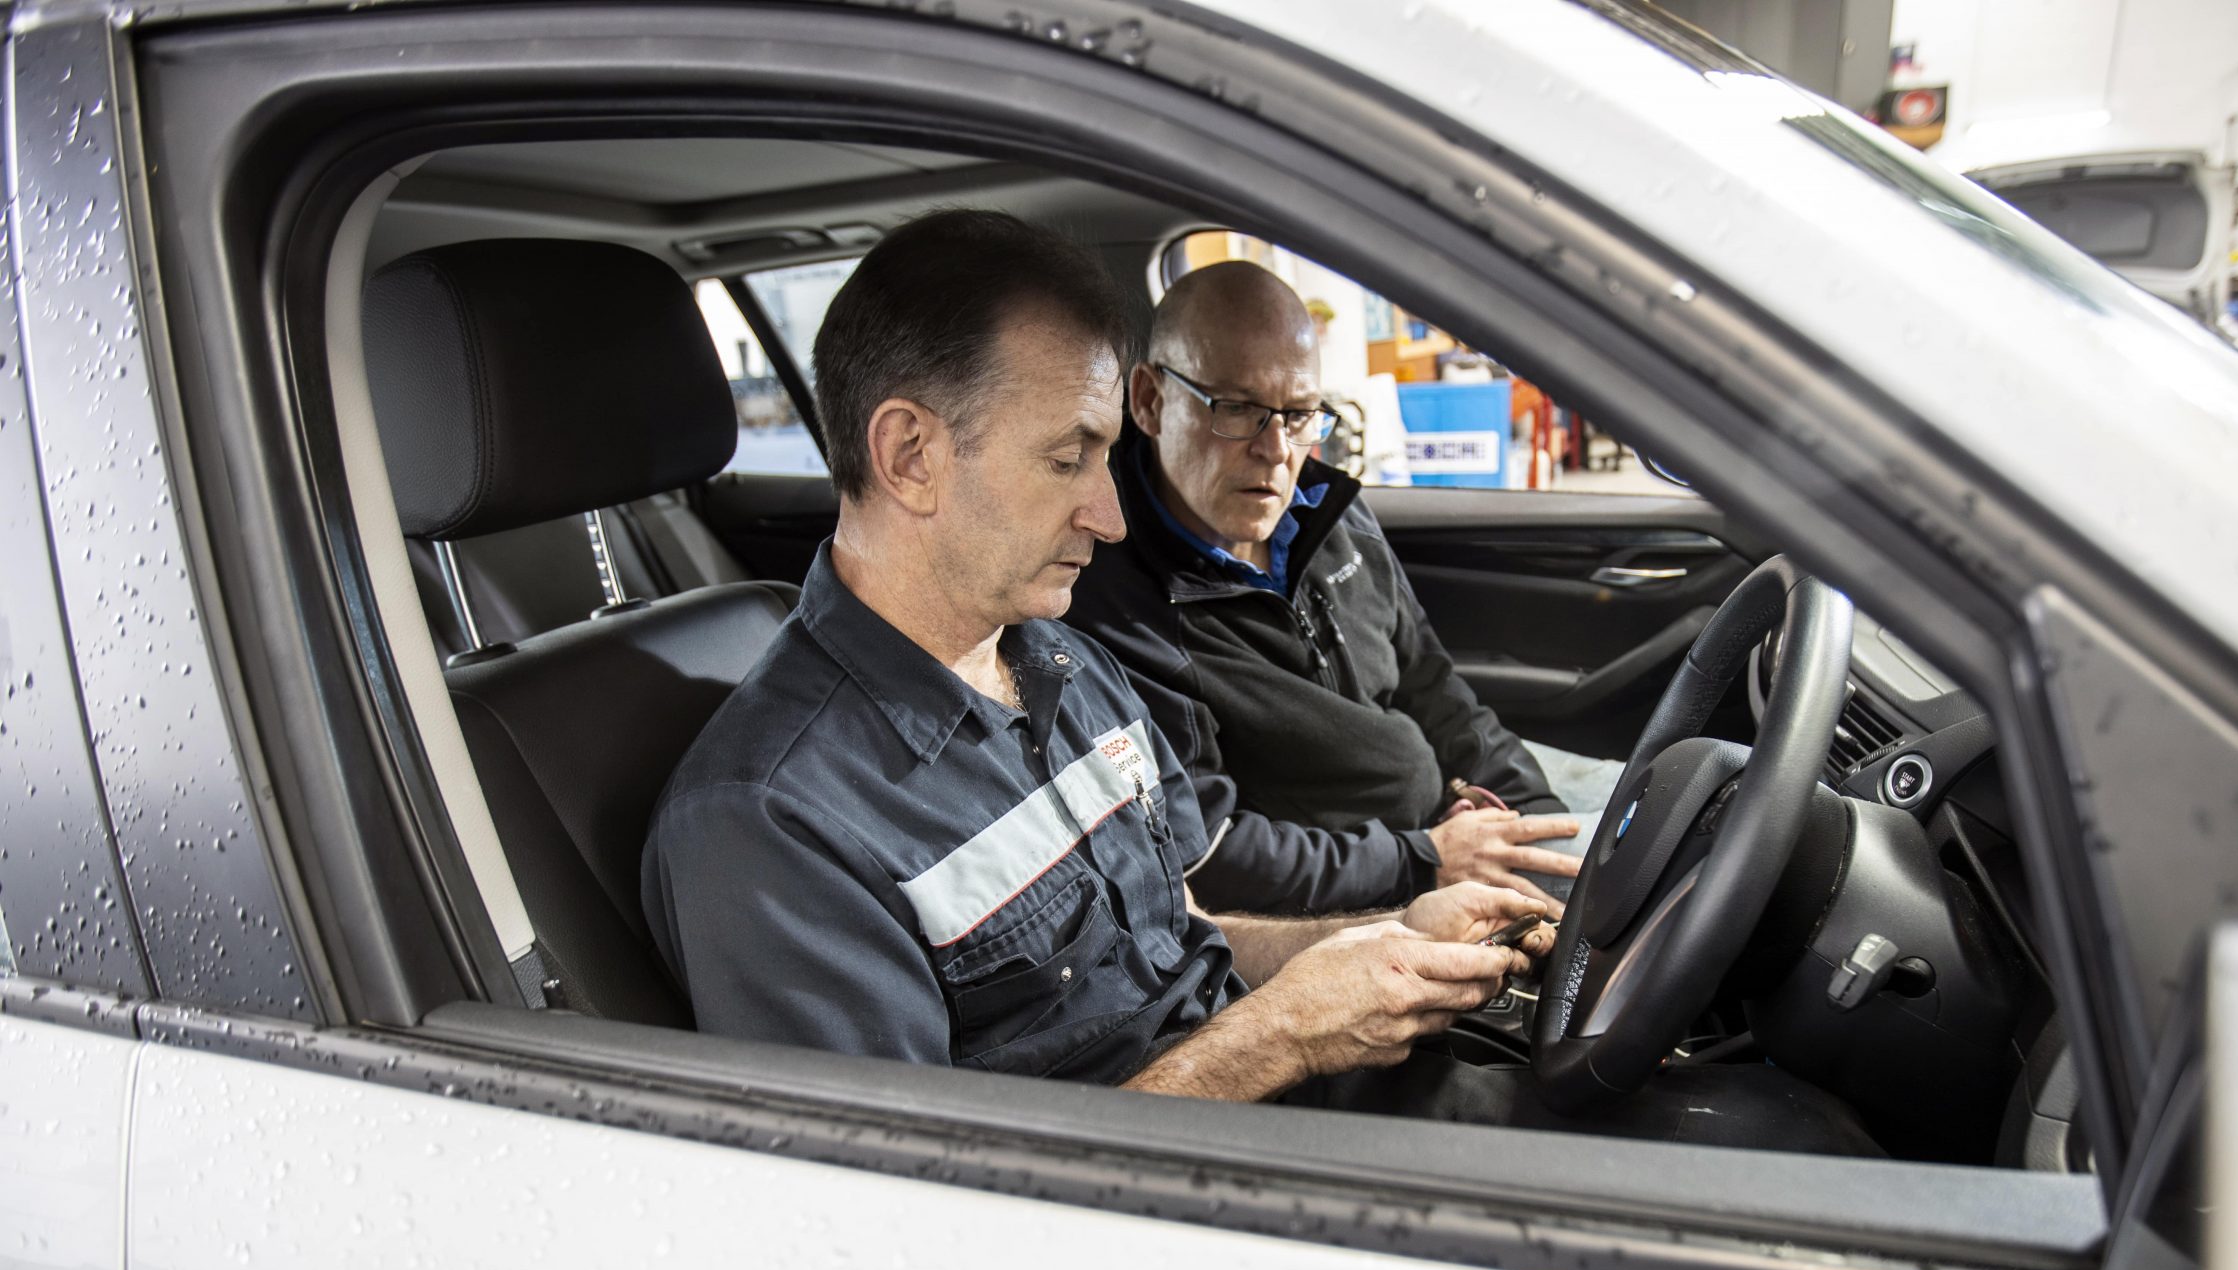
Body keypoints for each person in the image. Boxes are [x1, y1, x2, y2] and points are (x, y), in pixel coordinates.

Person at [639, 210, 1551, 1103]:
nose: (1110, 516)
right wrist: (1284, 1033)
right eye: (1069, 458)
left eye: (1107, 459)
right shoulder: (770, 823)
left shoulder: (1066, 666)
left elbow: (1182, 933)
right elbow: (912, 1211)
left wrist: (1387, 938)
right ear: (910, 454)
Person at [1064, 260, 1626, 916]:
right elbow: (1210, 848)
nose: (1277, 449)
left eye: (1300, 414)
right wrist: (1426, 858)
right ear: (1150, 402)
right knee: (1671, 868)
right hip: (1376, 886)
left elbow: (1434, 686)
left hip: (1452, 815)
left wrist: (1531, 816)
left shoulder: (1326, 511)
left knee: (1682, 797)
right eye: (1238, 408)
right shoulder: (1114, 602)